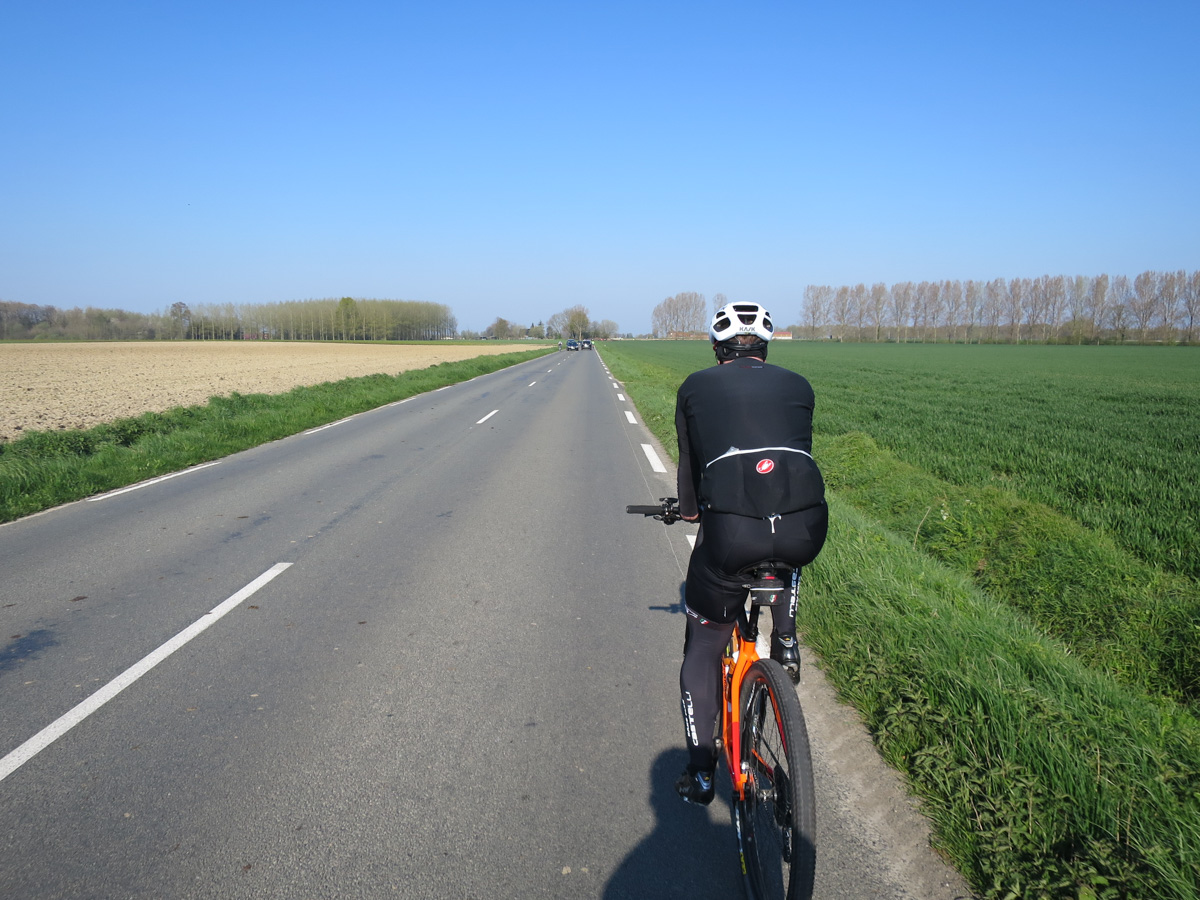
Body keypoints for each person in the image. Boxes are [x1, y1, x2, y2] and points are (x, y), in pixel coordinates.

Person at [673, 302, 828, 805]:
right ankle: (785, 641)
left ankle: (700, 775)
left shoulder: (696, 386)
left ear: (718, 349)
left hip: (731, 534)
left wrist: (692, 511)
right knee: (785, 551)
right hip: (805, 526)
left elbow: (690, 473)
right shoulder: (800, 386)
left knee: (702, 647)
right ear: (764, 346)